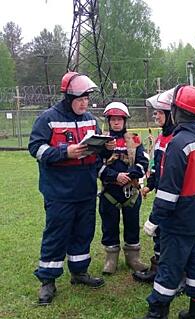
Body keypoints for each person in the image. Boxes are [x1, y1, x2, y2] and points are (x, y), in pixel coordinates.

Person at [129, 84, 195, 319]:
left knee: (168, 266)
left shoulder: (178, 143)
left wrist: (154, 219)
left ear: (177, 110)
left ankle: (157, 316)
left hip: (179, 217)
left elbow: (169, 191)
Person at [28, 71, 114, 306]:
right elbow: (36, 148)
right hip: (59, 192)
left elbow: (98, 155)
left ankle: (79, 272)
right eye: (80, 99)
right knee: (56, 235)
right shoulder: (47, 119)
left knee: (83, 232)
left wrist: (107, 147)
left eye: (87, 99)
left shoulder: (91, 119)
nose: (84, 103)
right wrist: (65, 152)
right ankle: (48, 280)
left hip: (85, 190)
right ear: (67, 97)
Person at [97, 102, 149, 275]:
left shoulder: (134, 139)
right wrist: (113, 176)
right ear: (109, 121)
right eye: (113, 119)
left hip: (131, 192)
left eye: (119, 119)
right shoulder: (101, 140)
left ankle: (133, 258)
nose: (116, 123)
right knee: (109, 225)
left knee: (132, 225)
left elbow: (143, 162)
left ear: (125, 120)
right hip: (109, 193)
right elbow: (95, 164)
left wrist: (130, 175)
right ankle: (111, 259)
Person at [133, 88, 175, 283]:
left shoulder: (177, 138)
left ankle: (171, 272)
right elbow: (157, 166)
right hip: (162, 194)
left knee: (168, 232)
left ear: (170, 114)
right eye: (155, 112)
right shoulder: (161, 137)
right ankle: (158, 267)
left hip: (174, 198)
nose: (155, 115)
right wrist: (150, 185)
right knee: (159, 231)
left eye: (159, 112)